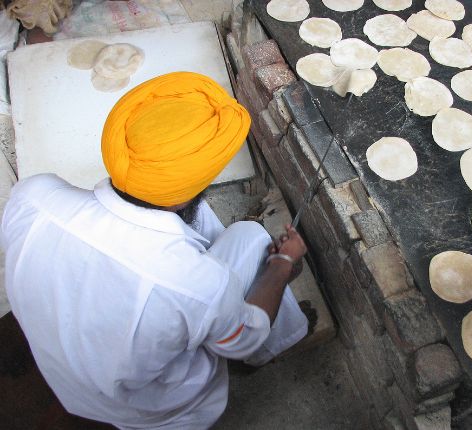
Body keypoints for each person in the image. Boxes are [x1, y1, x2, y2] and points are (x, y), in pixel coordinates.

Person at [1, 72, 309, 428]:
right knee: (252, 239)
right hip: (148, 407)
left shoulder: (33, 197)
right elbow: (242, 339)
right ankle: (270, 350)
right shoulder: (194, 284)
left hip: (67, 378)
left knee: (224, 232)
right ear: (184, 192)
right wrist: (283, 264)